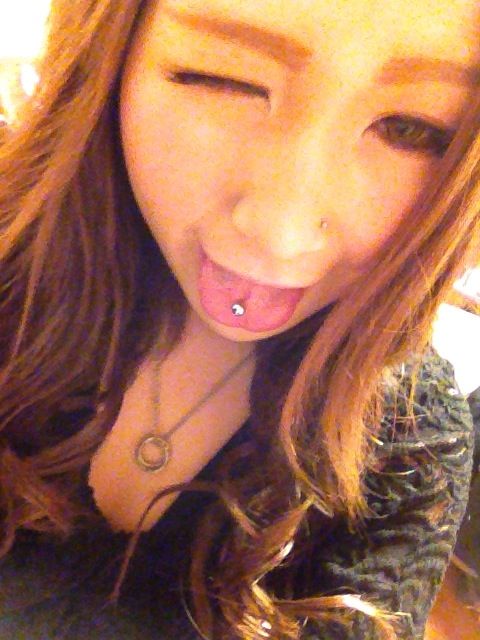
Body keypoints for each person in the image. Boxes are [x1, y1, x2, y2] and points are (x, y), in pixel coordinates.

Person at [0, 0, 478, 638]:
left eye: (414, 130)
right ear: (108, 59)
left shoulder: (411, 444)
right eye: (225, 79)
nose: (281, 234)